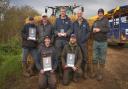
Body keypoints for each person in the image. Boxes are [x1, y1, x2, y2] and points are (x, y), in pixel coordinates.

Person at [54, 7, 73, 78]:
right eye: (61, 11)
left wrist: (67, 33)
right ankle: (60, 72)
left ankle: (66, 71)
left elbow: (71, 29)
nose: (63, 12)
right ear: (60, 12)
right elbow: (54, 29)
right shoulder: (57, 20)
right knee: (58, 56)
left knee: (66, 55)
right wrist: (57, 33)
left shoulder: (69, 20)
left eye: (64, 11)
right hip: (58, 40)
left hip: (65, 40)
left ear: (66, 12)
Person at [92, 8, 110, 81]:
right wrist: (93, 31)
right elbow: (92, 29)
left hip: (103, 42)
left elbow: (108, 29)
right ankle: (95, 73)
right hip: (95, 42)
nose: (100, 14)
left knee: (102, 59)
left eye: (101, 13)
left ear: (103, 13)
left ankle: (100, 74)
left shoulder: (106, 20)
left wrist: (100, 29)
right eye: (99, 13)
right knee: (94, 58)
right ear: (98, 14)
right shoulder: (95, 21)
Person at [73, 10, 90, 79]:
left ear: (82, 14)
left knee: (85, 58)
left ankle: (84, 73)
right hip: (76, 44)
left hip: (83, 43)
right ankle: (76, 73)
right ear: (77, 14)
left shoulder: (85, 22)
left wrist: (85, 39)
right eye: (78, 13)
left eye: (80, 13)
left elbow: (89, 32)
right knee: (76, 58)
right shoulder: (74, 23)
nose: (79, 15)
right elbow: (72, 32)